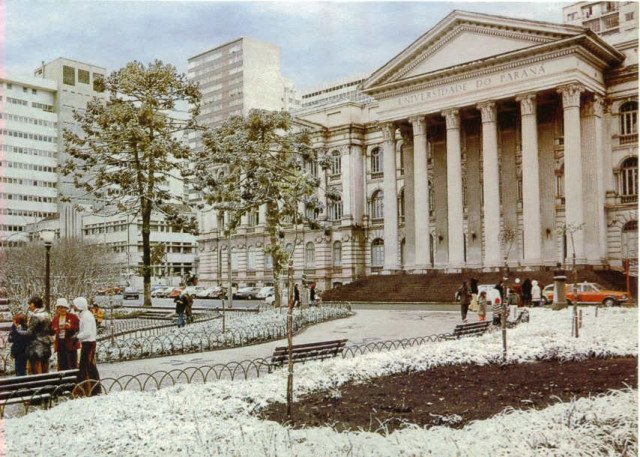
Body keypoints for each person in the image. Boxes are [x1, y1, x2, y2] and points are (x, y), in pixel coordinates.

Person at [73, 297, 101, 396]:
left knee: (88, 366)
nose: (74, 307)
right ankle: (90, 388)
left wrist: (77, 336)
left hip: (88, 343)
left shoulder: (86, 316)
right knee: (87, 366)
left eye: (75, 305)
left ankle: (92, 389)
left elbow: (88, 332)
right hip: (87, 343)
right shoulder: (84, 315)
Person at [25, 296, 53, 374]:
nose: (29, 306)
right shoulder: (47, 314)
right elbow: (51, 330)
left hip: (36, 348)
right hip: (46, 346)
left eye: (30, 304)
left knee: (36, 371)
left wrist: (18, 332)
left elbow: (29, 332)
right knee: (45, 369)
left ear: (34, 304)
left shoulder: (35, 316)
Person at [51, 298, 80, 371]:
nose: (62, 310)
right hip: (60, 342)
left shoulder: (73, 317)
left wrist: (70, 328)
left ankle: (73, 379)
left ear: (66, 308)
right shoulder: (55, 318)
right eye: (59, 308)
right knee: (61, 362)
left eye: (63, 307)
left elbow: (78, 329)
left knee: (71, 362)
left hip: (71, 342)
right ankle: (63, 380)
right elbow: (52, 329)